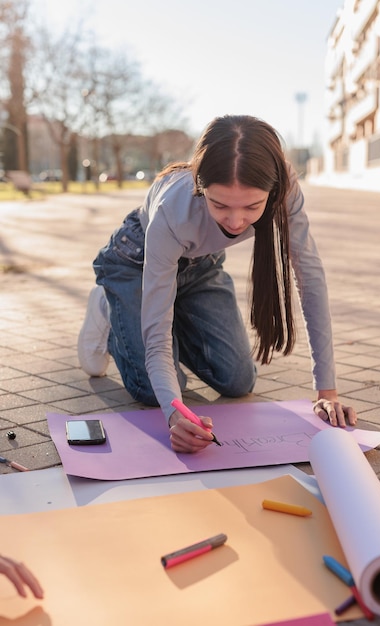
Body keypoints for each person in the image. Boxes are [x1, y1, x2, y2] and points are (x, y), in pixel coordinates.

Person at [78, 114, 357, 453]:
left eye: (253, 206)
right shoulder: (173, 209)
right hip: (134, 264)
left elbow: (310, 280)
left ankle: (158, 311)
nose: (236, 221)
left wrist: (326, 392)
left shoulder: (285, 187)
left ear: (273, 190)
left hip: (200, 268)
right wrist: (174, 416)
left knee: (238, 381)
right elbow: (156, 338)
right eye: (220, 204)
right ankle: (109, 305)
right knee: (154, 392)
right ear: (200, 184)